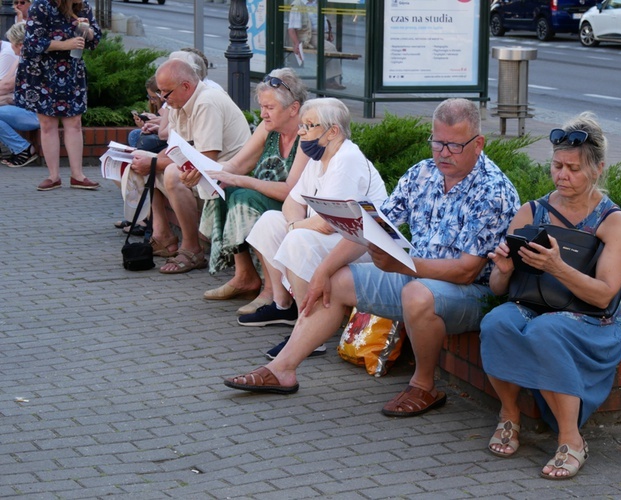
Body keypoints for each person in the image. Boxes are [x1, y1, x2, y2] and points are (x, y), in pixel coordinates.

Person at [224, 98, 520, 419]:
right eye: (437, 142)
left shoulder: (492, 190)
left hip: (470, 292)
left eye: (454, 145)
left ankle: (424, 385)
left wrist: (401, 265)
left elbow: (465, 271)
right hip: (416, 277)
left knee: (417, 294)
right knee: (336, 282)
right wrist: (324, 271)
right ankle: (282, 370)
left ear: (478, 144)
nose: (443, 153)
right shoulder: (422, 173)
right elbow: (371, 229)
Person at [479, 112, 621, 480]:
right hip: (534, 306)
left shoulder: (613, 221)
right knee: (496, 322)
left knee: (545, 331)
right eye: (557, 165)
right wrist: (501, 272)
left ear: (597, 169)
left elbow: (604, 296)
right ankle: (509, 414)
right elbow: (500, 291)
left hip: (594, 321)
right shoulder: (531, 212)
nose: (562, 175)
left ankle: (571, 439)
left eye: (574, 168)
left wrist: (557, 266)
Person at [241, 97, 388, 341]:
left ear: (332, 131)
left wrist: (296, 227)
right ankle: (283, 306)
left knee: (298, 239)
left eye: (308, 126)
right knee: (269, 222)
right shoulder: (319, 157)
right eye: (302, 125)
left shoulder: (347, 159)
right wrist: (294, 225)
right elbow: (292, 202)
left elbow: (328, 224)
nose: (301, 132)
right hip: (332, 236)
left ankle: (308, 332)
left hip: (360, 246)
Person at [199, 68, 309, 309]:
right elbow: (238, 164)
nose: (263, 114)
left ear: (293, 108)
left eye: (269, 108)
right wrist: (209, 172)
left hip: (294, 208)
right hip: (268, 199)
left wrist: (242, 180)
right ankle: (244, 276)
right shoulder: (268, 127)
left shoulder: (307, 134)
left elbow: (291, 191)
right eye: (262, 106)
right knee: (224, 191)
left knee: (243, 197)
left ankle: (270, 290)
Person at [129, 58, 251, 273]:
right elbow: (174, 149)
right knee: (145, 162)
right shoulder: (179, 102)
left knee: (170, 172)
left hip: (225, 178)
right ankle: (163, 235)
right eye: (160, 93)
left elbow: (206, 159)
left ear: (185, 86)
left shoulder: (206, 102)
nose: (163, 99)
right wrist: (150, 159)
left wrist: (154, 162)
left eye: (166, 93)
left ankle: (192, 248)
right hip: (207, 172)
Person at [15, 0, 101, 191]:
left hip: (71, 69)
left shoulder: (83, 6)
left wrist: (87, 31)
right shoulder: (41, 6)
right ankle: (53, 176)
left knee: (74, 122)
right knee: (47, 124)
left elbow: (95, 38)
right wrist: (65, 44)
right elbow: (31, 43)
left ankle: (77, 175)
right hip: (42, 71)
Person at [0, 22, 40, 168]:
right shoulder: (21, 59)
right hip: (23, 108)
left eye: (12, 43)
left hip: (36, 115)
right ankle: (20, 148)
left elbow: (8, 86)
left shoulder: (31, 63)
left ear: (21, 44)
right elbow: (5, 82)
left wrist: (7, 99)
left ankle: (24, 149)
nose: (10, 47)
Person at [288, 0, 345, 90]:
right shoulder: (298, 4)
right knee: (331, 49)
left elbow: (323, 19)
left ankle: (326, 78)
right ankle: (330, 80)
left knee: (329, 51)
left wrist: (328, 31)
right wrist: (296, 43)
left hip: (322, 35)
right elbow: (291, 28)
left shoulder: (317, 3)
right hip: (310, 36)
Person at [127, 76, 167, 155]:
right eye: (150, 97)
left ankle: (138, 157)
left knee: (135, 135)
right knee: (135, 134)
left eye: (154, 98)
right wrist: (145, 124)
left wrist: (157, 120)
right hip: (162, 134)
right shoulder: (162, 107)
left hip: (167, 138)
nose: (152, 102)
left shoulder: (168, 104)